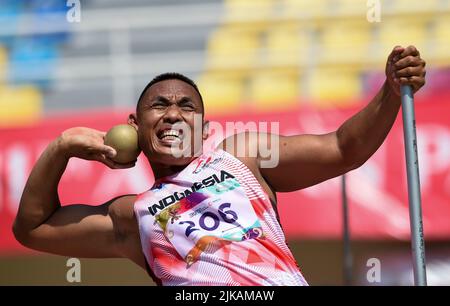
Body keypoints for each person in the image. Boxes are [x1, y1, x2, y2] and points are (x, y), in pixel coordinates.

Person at [13, 46, 426, 286]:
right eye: (160, 105)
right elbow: (33, 227)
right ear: (135, 128)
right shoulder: (132, 213)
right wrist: (62, 147)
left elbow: (343, 148)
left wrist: (390, 91)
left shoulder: (240, 156)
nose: (174, 114)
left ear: (205, 127)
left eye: (186, 106)